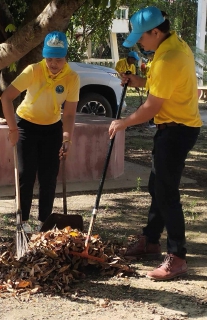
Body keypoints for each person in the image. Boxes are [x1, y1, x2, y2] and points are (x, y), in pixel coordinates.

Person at [108, 6, 202, 280]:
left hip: (177, 129)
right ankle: (150, 240)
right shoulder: (171, 45)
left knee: (166, 192)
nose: (139, 41)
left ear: (156, 32)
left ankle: (178, 256)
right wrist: (136, 80)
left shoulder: (168, 58)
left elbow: (150, 107)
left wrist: (123, 122)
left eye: (141, 36)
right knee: (157, 185)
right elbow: (157, 83)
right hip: (175, 126)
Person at [1, 31, 80, 233]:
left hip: (52, 128)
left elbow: (69, 114)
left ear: (66, 58)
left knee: (49, 177)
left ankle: (44, 222)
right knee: (26, 174)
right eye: (50, 58)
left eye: (58, 59)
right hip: (26, 125)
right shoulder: (33, 70)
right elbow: (6, 97)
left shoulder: (72, 78)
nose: (53, 63)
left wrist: (67, 139)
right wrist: (12, 128)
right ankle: (23, 221)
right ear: (44, 56)